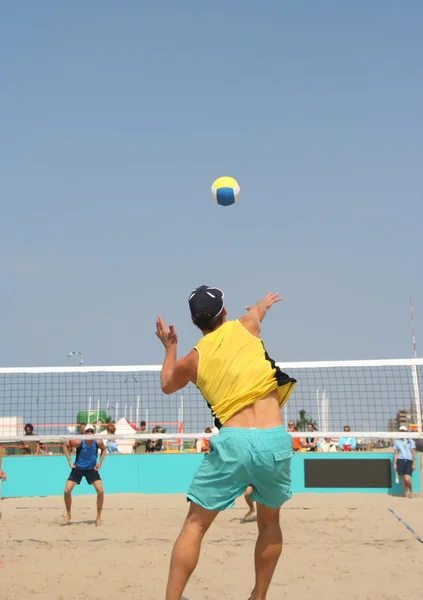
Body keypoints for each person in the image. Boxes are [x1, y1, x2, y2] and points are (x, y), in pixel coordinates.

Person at [155, 287, 297, 600]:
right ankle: (258, 596)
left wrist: (170, 347)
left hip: (234, 442)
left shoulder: (194, 358)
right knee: (270, 522)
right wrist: (263, 303)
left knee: (194, 526)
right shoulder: (245, 325)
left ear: (196, 322)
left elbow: (166, 384)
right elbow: (258, 310)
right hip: (274, 440)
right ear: (224, 311)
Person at [62, 424, 107, 526]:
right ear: (84, 433)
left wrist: (100, 462)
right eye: (88, 431)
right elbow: (64, 446)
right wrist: (69, 461)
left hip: (91, 469)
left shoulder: (98, 441)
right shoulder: (78, 441)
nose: (90, 433)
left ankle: (98, 517)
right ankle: (68, 513)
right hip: (78, 468)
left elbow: (104, 450)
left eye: (91, 431)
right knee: (66, 490)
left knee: (100, 490)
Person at [394, 425, 416, 498]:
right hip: (400, 460)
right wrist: (394, 464)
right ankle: (406, 494)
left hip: (409, 460)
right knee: (403, 479)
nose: (402, 432)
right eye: (401, 431)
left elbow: (413, 452)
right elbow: (396, 453)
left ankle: (411, 491)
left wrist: (413, 463)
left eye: (403, 431)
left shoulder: (410, 441)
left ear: (406, 432)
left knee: (407, 479)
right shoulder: (397, 441)